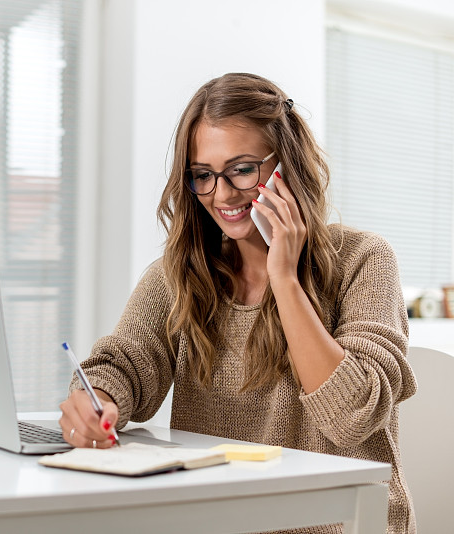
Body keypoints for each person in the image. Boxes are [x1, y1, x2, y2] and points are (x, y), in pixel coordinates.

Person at [58, 73, 416, 534]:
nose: (222, 194)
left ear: (287, 164)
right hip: (220, 519)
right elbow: (124, 363)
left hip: (337, 523)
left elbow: (351, 416)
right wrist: (96, 402)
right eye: (203, 176)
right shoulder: (183, 273)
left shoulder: (364, 259)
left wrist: (283, 277)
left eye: (242, 169)